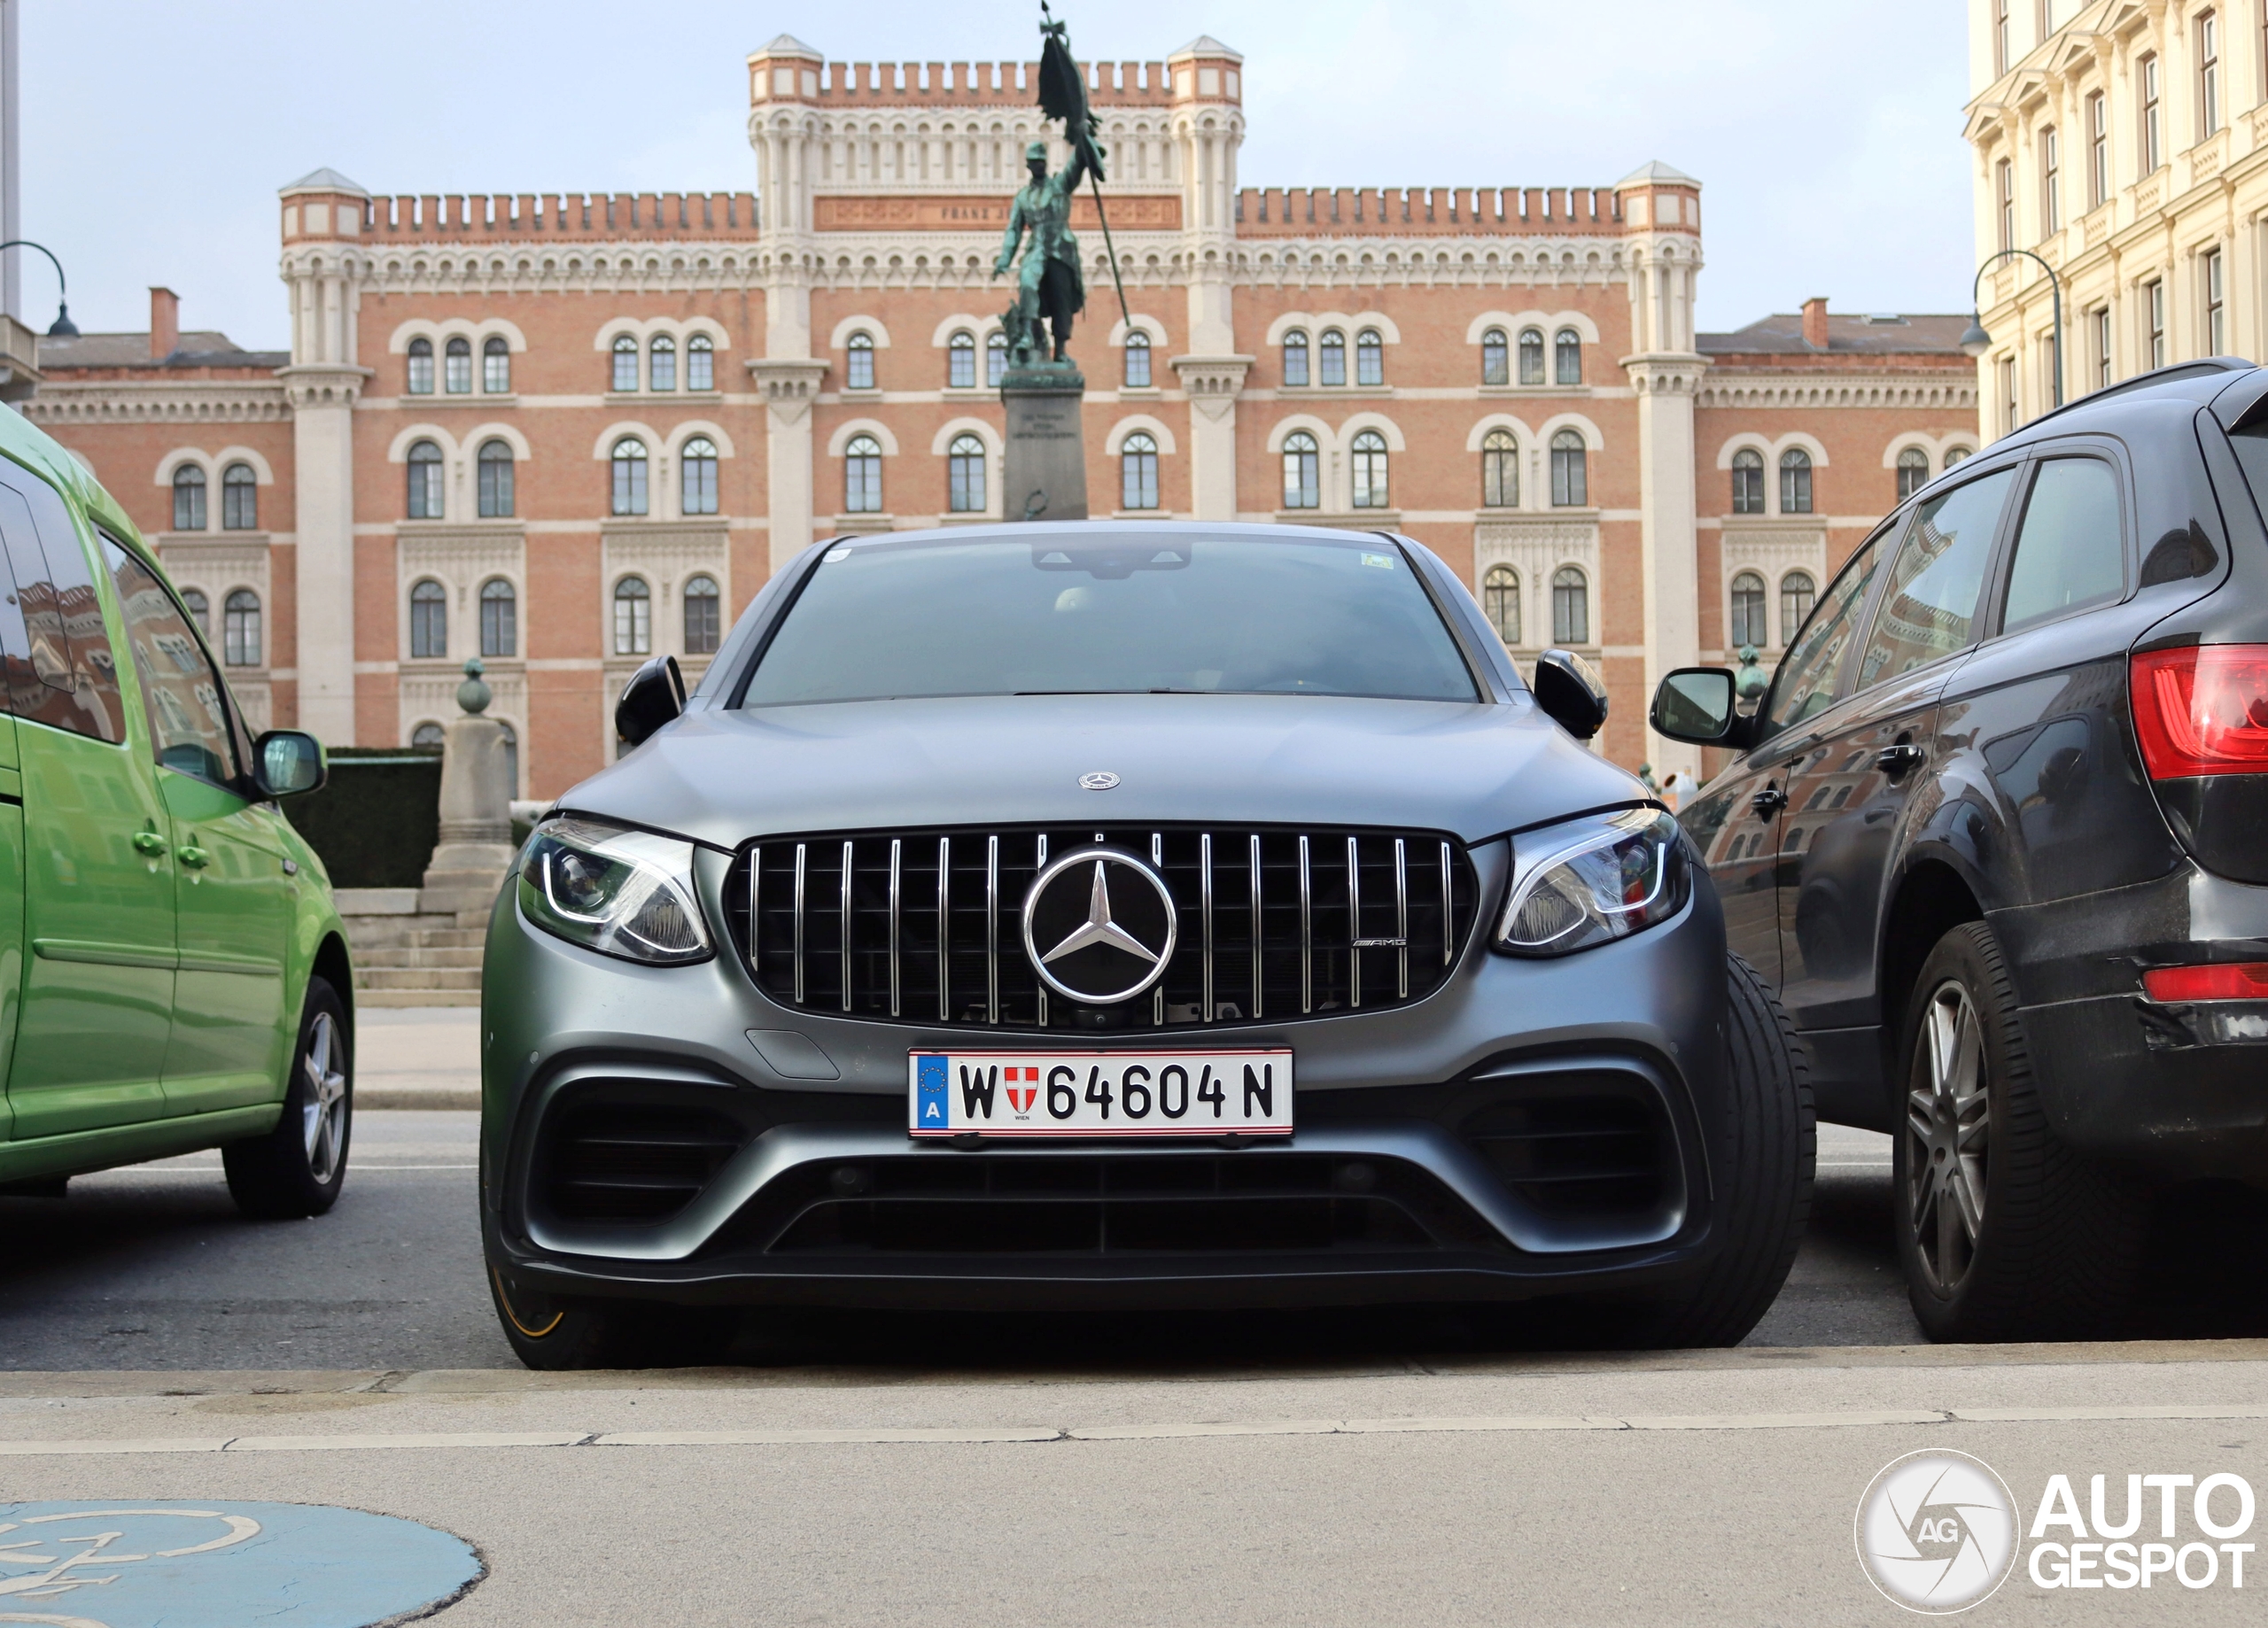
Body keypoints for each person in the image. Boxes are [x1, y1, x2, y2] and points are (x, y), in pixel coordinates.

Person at [993, 138, 1096, 365]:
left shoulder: (1060, 186)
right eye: (1034, 162)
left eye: (1041, 161)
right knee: (1028, 283)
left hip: (1061, 248)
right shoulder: (1023, 197)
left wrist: (1082, 134)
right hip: (1037, 247)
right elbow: (1014, 230)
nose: (1038, 165)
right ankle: (1028, 335)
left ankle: (1060, 350)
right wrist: (1004, 258)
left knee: (1062, 300)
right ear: (1028, 165)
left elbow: (1077, 165)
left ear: (1046, 163)